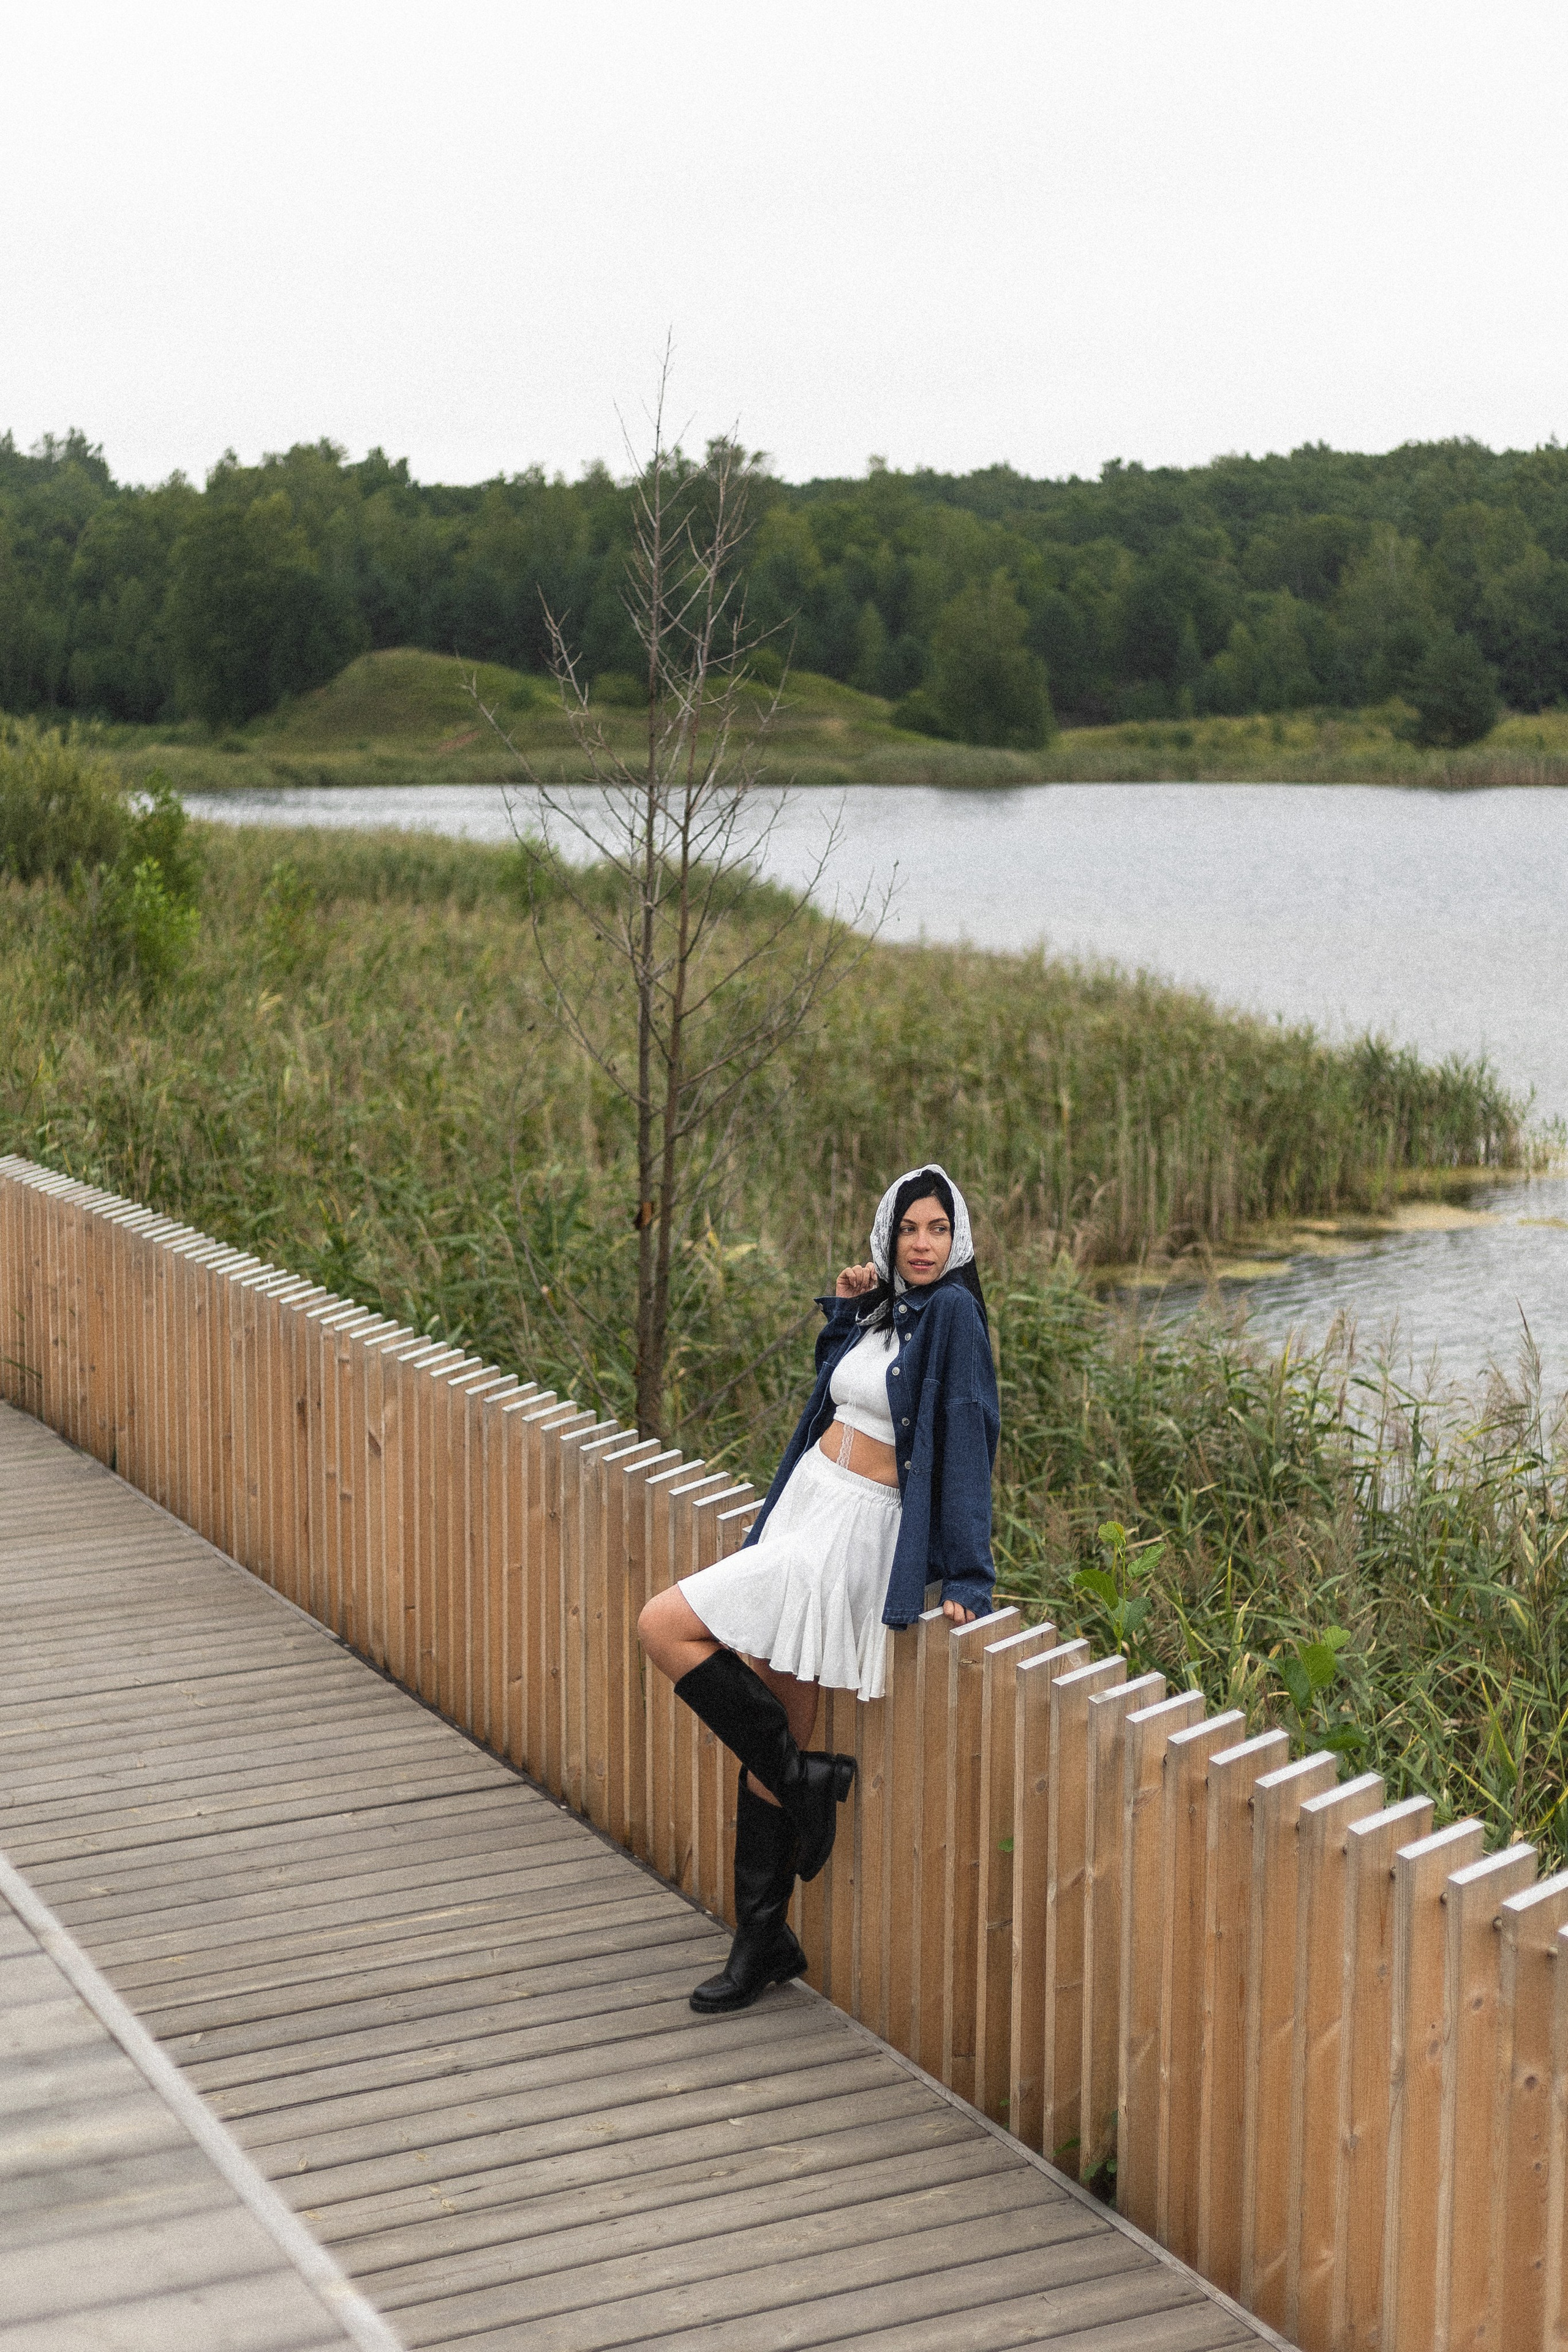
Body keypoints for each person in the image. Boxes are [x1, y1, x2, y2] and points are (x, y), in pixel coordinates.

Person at [638, 1163, 1000, 2015]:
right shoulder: (881, 1307)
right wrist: (846, 1310)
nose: (922, 1244)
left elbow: (970, 1434)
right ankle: (765, 1941)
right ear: (889, 1231)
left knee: (662, 1625)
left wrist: (970, 1578)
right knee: (781, 1721)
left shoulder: (952, 1313)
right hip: (805, 1508)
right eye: (909, 1228)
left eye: (937, 1231)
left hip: (852, 1534)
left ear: (959, 1240)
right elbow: (838, 1392)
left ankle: (802, 1787)